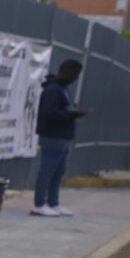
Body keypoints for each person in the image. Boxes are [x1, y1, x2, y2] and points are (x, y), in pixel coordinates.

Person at [29, 57, 82, 216]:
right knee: (47, 170)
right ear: (67, 72)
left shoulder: (63, 89)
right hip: (53, 136)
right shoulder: (53, 89)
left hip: (62, 136)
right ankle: (39, 204)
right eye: (74, 74)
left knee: (59, 171)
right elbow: (49, 113)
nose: (75, 79)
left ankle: (54, 202)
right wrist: (71, 115)